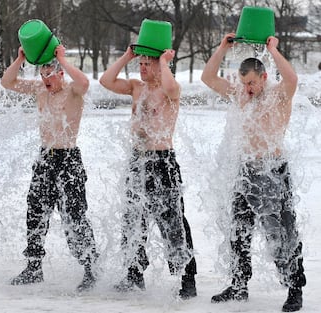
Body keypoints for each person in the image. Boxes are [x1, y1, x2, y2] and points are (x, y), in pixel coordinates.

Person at [201, 33, 306, 312]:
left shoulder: (278, 96)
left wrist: (273, 50)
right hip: (246, 171)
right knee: (239, 229)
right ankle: (239, 284)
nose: (247, 88)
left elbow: (293, 79)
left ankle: (294, 287)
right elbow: (208, 78)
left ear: (263, 77)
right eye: (243, 82)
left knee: (280, 232)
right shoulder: (239, 94)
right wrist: (223, 48)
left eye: (251, 83)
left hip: (273, 172)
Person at [99, 47, 197, 299]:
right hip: (137, 160)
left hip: (162, 160)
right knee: (133, 218)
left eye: (146, 64)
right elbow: (105, 81)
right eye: (140, 64)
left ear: (158, 66)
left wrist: (164, 62)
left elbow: (173, 88)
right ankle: (134, 273)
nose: (142, 68)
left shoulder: (167, 90)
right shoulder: (135, 87)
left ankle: (187, 277)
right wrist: (127, 57)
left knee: (173, 221)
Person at [1, 45, 99, 291]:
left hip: (68, 158)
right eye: (42, 74)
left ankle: (90, 267)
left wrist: (62, 60)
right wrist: (20, 57)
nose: (45, 79)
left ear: (60, 74)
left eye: (50, 74)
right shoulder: (38, 90)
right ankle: (33, 266)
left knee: (74, 214)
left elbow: (84, 81)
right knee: (35, 212)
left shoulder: (73, 91)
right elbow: (7, 82)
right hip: (45, 157)